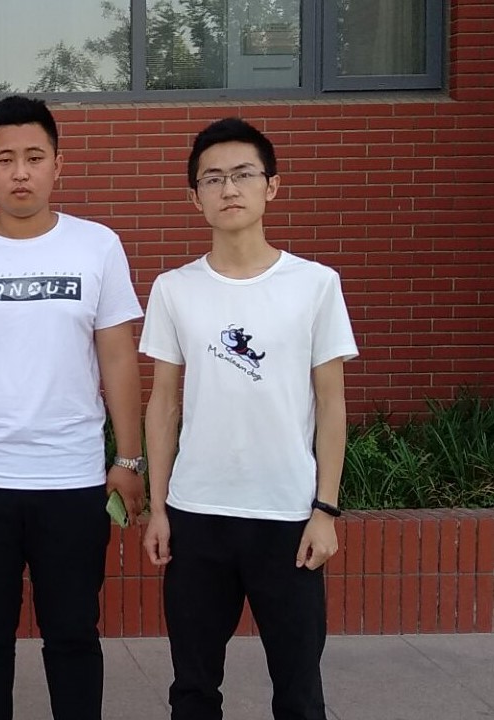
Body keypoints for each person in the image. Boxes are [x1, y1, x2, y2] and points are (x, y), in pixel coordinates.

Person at [0, 95, 146, 720]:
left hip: (71, 480)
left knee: (73, 635)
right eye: (6, 159)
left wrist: (129, 459)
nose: (21, 172)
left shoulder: (97, 247)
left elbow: (119, 357)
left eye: (35, 157)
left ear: (58, 165)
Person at [140, 117, 357, 720]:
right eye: (212, 178)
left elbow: (332, 404)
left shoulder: (315, 285)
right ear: (195, 196)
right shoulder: (174, 289)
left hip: (286, 517)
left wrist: (325, 510)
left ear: (271, 186)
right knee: (193, 689)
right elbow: (163, 403)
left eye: (242, 174)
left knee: (298, 690)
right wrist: (158, 508)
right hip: (196, 515)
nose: (228, 189)